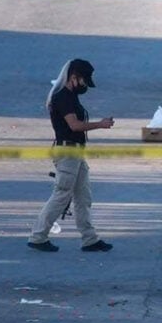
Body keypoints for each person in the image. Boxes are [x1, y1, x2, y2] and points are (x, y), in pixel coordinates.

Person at [28, 58, 115, 253]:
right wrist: (100, 125)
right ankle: (38, 236)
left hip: (75, 153)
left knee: (83, 197)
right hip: (67, 153)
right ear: (73, 77)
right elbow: (74, 125)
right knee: (61, 195)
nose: (84, 86)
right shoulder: (63, 97)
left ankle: (90, 239)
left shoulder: (70, 96)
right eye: (84, 81)